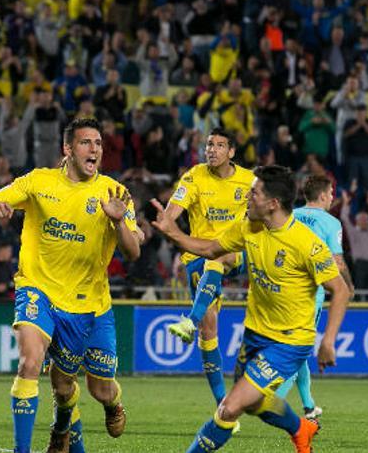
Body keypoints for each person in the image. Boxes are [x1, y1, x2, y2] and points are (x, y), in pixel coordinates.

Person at [150, 165, 351, 453]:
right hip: (255, 334)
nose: (247, 195)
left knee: (229, 408)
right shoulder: (250, 227)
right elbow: (210, 250)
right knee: (255, 403)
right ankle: (300, 428)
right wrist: (174, 233)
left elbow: (340, 289)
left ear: (273, 203)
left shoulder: (306, 243)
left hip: (289, 341)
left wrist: (329, 340)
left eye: (254, 192)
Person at [0, 118, 141, 453]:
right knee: (30, 362)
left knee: (88, 389)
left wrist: (119, 220)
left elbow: (133, 250)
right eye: (85, 143)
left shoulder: (114, 193)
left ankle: (96, 410)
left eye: (98, 143)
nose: (94, 149)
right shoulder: (38, 181)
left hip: (89, 304)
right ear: (67, 149)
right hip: (39, 289)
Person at [161, 128, 255, 408]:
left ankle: (189, 320)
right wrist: (166, 221)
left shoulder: (249, 180)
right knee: (209, 329)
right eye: (209, 145)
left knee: (220, 257)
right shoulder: (193, 177)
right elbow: (172, 213)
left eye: (219, 145)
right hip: (198, 257)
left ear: (232, 152)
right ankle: (222, 405)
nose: (212, 150)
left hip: (235, 253)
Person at [275, 174, 355, 419]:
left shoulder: (291, 216)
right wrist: (349, 286)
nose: (332, 198)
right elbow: (337, 261)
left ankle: (309, 406)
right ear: (322, 195)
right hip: (310, 293)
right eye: (331, 194)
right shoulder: (331, 223)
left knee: (299, 348)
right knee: (299, 350)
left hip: (281, 289)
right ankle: (272, 401)